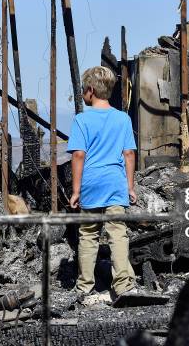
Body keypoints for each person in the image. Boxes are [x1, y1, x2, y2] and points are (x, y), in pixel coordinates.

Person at [67, 66, 137, 300]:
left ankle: (85, 287)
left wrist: (76, 190)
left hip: (92, 183)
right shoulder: (123, 119)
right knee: (118, 233)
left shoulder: (81, 120)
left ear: (90, 90)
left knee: (88, 234)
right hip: (116, 183)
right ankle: (123, 285)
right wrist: (130, 186)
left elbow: (78, 155)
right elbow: (129, 154)